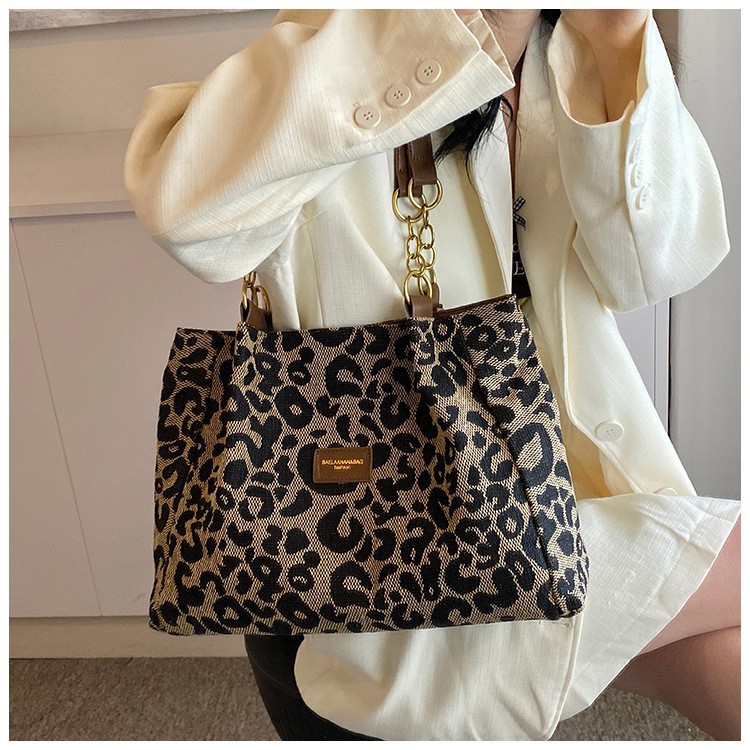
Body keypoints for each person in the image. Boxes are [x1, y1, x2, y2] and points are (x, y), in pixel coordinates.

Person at [123, 9, 740, 741]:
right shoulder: (354, 34)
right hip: (380, 551)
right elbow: (185, 211)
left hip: (560, 513)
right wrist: (470, 35)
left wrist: (616, 44)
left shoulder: (573, 47)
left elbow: (656, 270)